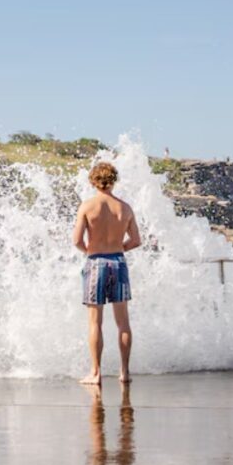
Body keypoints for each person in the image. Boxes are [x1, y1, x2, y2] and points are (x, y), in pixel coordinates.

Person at [72, 162, 141, 386]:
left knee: (95, 322)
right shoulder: (125, 208)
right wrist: (119, 249)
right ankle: (125, 372)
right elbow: (136, 241)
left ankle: (96, 372)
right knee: (123, 323)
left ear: (93, 181)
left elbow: (76, 241)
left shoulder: (87, 207)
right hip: (118, 262)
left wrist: (90, 251)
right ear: (114, 180)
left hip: (96, 263)